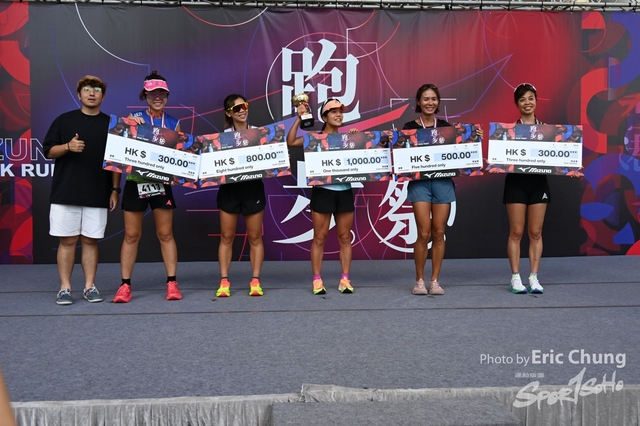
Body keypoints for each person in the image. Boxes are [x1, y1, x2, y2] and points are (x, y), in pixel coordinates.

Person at [43, 75, 120, 305]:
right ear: (79, 95)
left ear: (103, 96)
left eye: (97, 90)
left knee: (90, 241)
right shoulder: (63, 120)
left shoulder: (112, 124)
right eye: (86, 89)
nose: (92, 93)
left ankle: (89, 287)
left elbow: (116, 161)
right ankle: (65, 288)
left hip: (98, 192)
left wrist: (115, 189)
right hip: (66, 192)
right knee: (67, 242)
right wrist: (68, 146)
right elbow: (48, 151)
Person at [404, 84, 483, 296]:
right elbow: (400, 154)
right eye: (426, 99)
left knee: (439, 232)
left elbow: (462, 152)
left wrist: (475, 138)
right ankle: (419, 281)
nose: (430, 103)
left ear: (438, 102)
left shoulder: (447, 127)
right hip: (420, 184)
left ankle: (435, 281)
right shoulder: (409, 127)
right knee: (424, 232)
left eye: (433, 99)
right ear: (418, 102)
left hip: (443, 183)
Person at [114, 71, 181, 303]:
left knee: (165, 234)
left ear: (167, 96)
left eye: (162, 94)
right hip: (136, 182)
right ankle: (125, 285)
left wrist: (176, 173)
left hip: (161, 183)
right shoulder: (133, 119)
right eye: (153, 94)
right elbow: (120, 153)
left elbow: (179, 155)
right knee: (131, 235)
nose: (158, 98)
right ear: (145, 95)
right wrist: (131, 126)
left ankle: (172, 283)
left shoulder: (173, 123)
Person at [287, 98, 356, 295]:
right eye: (333, 112)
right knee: (319, 237)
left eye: (340, 112)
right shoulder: (314, 138)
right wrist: (299, 118)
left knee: (345, 237)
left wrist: (358, 139)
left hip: (344, 191)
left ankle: (345, 279)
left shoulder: (348, 139)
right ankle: (317, 280)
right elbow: (291, 141)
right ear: (324, 117)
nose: (338, 115)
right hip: (322, 191)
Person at [215, 94, 265, 297]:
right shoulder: (222, 138)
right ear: (228, 113)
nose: (242, 110)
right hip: (230, 190)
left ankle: (255, 280)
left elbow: (272, 160)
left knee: (255, 237)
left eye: (244, 106)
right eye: (236, 108)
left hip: (253, 189)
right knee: (227, 237)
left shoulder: (260, 134)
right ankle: (224, 281)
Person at [504, 83, 547, 294]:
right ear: (517, 104)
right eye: (522, 99)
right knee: (517, 231)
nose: (527, 102)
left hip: (538, 184)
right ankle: (515, 278)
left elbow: (561, 157)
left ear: (536, 101)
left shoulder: (549, 131)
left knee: (536, 232)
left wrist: (570, 168)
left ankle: (534, 277)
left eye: (530, 98)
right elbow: (499, 157)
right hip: (516, 184)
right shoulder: (508, 131)